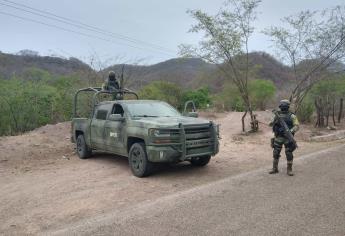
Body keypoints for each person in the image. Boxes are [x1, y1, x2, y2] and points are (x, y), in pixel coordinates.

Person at [269, 100, 299, 176]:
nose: (283, 107)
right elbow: (270, 124)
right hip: (278, 136)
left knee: (289, 153)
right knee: (276, 152)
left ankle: (289, 170)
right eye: (282, 105)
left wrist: (289, 130)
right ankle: (275, 168)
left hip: (288, 137)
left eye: (285, 105)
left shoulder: (292, 116)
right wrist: (274, 123)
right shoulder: (277, 115)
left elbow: (297, 126)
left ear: (287, 107)